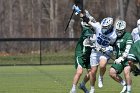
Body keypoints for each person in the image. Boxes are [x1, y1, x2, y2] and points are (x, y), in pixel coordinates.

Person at [80, 13, 117, 93]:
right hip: (95, 52)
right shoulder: (98, 26)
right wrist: (80, 13)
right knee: (93, 72)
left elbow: (112, 45)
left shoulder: (113, 35)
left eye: (105, 27)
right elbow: (88, 21)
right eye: (103, 27)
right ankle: (92, 89)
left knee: (102, 65)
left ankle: (101, 77)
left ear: (110, 26)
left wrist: (107, 49)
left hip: (104, 52)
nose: (103, 28)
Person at [69, 13, 95, 93]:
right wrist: (79, 12)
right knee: (79, 72)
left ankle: (82, 85)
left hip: (88, 55)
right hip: (80, 54)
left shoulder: (92, 30)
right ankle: (73, 89)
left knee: (91, 73)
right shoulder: (86, 30)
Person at [109, 20, 133, 93]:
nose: (119, 32)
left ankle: (129, 91)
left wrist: (122, 58)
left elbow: (128, 49)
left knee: (126, 72)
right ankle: (124, 85)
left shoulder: (128, 35)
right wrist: (104, 48)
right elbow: (110, 45)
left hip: (128, 58)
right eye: (117, 30)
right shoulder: (114, 36)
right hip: (118, 58)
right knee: (112, 72)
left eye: (120, 30)